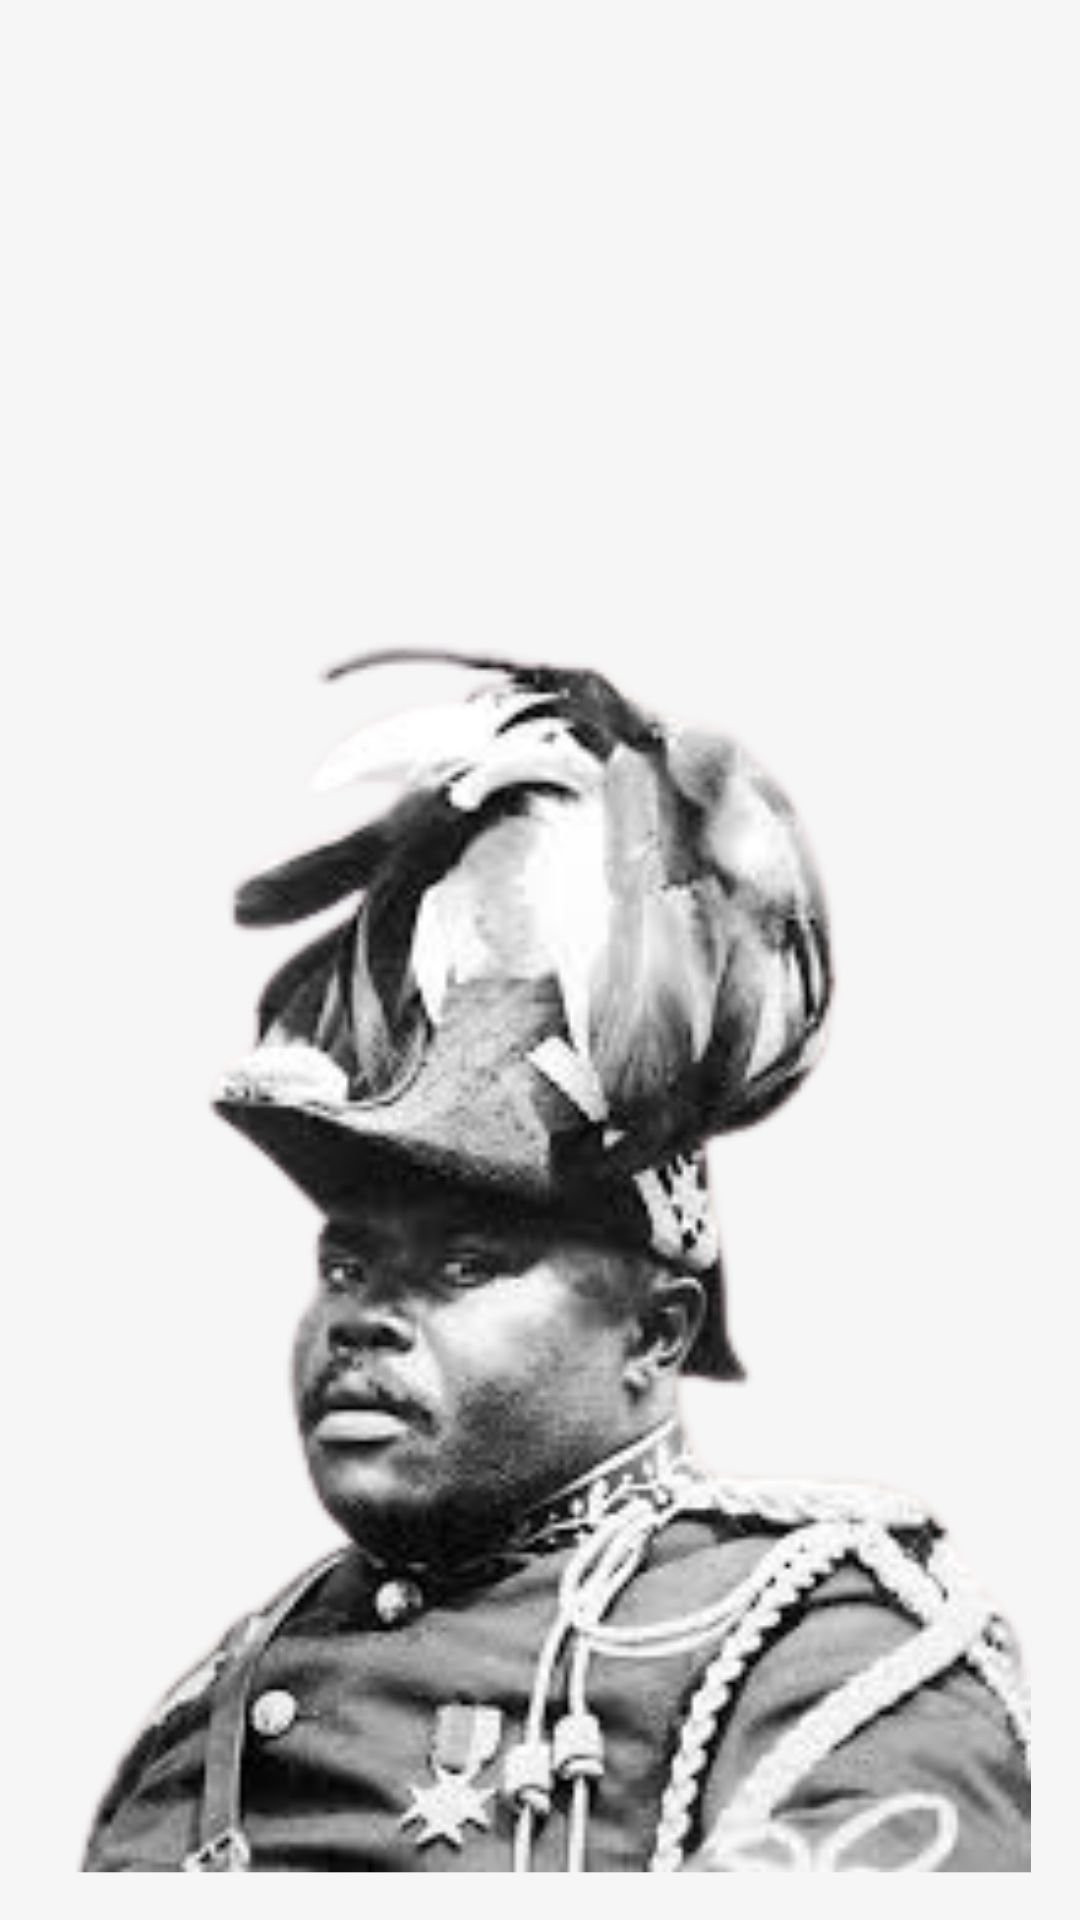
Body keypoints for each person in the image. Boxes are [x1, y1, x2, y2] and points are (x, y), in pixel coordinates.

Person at [83, 652, 1030, 1873]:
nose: (362, 1318)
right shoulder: (220, 1696)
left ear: (655, 1334)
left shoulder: (823, 1647)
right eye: (348, 1267)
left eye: (467, 1266)